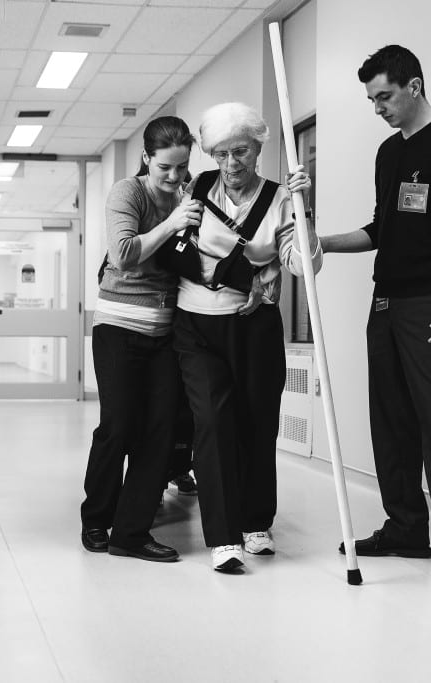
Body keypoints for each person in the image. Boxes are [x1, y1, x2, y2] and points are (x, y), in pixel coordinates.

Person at [323, 45, 431, 587]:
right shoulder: (388, 154)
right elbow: (381, 230)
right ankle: (405, 529)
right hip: (386, 303)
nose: (378, 108)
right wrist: (319, 241)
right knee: (391, 423)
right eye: (371, 100)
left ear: (413, 86)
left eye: (385, 96)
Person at [171, 102, 319, 572]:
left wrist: (304, 212)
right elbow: (180, 250)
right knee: (213, 423)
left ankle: (256, 522)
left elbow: (304, 266)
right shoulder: (194, 191)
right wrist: (251, 275)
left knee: (258, 424)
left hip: (255, 326)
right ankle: (223, 535)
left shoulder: (279, 198)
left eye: (241, 152)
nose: (231, 165)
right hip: (196, 324)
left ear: (258, 149)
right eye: (221, 154)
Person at [80, 116, 203, 562]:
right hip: (118, 329)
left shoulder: (188, 196)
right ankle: (96, 518)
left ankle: (130, 533)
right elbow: (125, 255)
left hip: (164, 332)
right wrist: (173, 223)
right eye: (165, 167)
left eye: (182, 167)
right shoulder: (128, 193)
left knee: (159, 433)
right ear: (147, 158)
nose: (174, 177)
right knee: (118, 426)